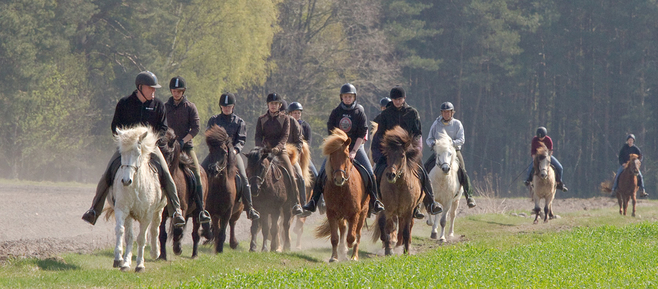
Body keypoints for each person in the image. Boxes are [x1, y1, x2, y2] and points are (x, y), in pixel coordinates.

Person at [82, 71, 186, 227]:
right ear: (140, 87)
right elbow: (115, 126)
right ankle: (94, 210)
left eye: (154, 88)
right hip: (128, 149)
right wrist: (126, 139)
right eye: (151, 88)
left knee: (166, 174)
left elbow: (163, 128)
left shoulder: (158, 105)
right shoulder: (124, 103)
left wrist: (151, 141)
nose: (154, 91)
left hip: (149, 149)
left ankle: (176, 211)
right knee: (107, 173)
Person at [302, 83, 385, 215]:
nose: (347, 99)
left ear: (354, 97)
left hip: (355, 147)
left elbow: (361, 134)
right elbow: (331, 131)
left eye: (350, 96)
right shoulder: (336, 112)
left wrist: (353, 151)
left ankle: (374, 201)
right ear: (341, 97)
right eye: (345, 96)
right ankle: (314, 201)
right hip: (338, 149)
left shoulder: (359, 112)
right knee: (321, 173)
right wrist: (337, 148)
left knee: (370, 173)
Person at [372, 86, 442, 219]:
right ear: (392, 100)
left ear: (404, 99)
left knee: (423, 173)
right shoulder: (385, 114)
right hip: (390, 152)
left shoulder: (412, 113)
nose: (397, 102)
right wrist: (379, 155)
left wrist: (413, 149)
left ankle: (431, 203)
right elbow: (380, 135)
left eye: (399, 99)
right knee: (376, 172)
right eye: (394, 99)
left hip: (408, 151)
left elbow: (417, 134)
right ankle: (374, 202)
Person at [205, 93, 261, 220]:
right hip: (215, 155)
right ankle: (199, 207)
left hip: (233, 155)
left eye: (229, 106)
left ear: (233, 106)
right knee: (201, 172)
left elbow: (241, 140)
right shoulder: (213, 120)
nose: (226, 108)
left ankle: (250, 208)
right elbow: (208, 137)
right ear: (220, 107)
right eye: (224, 106)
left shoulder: (239, 122)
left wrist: (235, 151)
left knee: (244, 177)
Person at [164, 76, 212, 224]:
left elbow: (196, 128)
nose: (176, 93)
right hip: (169, 148)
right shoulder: (165, 106)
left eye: (178, 91)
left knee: (197, 172)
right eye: (173, 90)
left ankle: (201, 209)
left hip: (186, 147)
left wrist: (183, 140)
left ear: (183, 91)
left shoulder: (190, 107)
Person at [254, 93, 304, 216]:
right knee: (253, 170)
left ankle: (296, 202)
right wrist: (262, 148)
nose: (273, 106)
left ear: (279, 105)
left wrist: (278, 148)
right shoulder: (261, 119)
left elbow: (285, 136)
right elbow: (258, 136)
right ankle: (250, 202)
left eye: (276, 104)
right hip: (265, 150)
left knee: (291, 174)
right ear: (268, 105)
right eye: (271, 103)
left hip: (281, 151)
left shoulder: (285, 118)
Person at [424, 102, 476, 208]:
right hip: (439, 152)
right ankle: (421, 196)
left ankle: (469, 196)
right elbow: (429, 138)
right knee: (425, 168)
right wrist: (433, 144)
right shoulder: (436, 123)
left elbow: (461, 140)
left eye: (448, 112)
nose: (446, 114)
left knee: (463, 170)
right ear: (441, 113)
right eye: (444, 112)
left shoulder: (457, 124)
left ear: (452, 113)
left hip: (454, 152)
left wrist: (450, 143)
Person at [523, 127, 568, 191]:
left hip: (547, 157)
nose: (540, 138)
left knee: (560, 167)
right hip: (537, 157)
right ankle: (528, 180)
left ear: (545, 135)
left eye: (542, 137)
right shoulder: (534, 140)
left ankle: (559, 183)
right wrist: (534, 158)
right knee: (530, 168)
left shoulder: (548, 140)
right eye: (539, 137)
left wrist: (547, 158)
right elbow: (533, 150)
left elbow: (550, 151)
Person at [287, 102, 318, 178]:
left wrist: (302, 149)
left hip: (303, 153)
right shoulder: (286, 125)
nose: (297, 115)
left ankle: (318, 187)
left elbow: (309, 141)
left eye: (299, 113)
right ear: (290, 114)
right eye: (295, 113)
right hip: (289, 153)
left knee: (315, 173)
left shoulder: (305, 126)